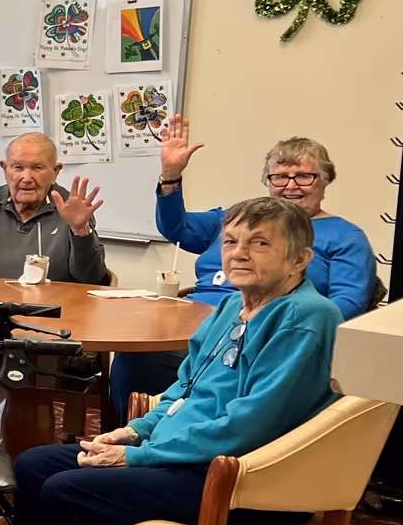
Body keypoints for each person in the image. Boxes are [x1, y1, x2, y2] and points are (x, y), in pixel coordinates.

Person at [0, 198, 340, 525]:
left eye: (260, 244)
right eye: (231, 242)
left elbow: (251, 424)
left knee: (69, 490)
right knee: (36, 464)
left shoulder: (305, 317)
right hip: (192, 461)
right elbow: (186, 388)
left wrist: (139, 454)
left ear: (300, 259)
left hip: (249, 483)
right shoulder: (230, 308)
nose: (239, 254)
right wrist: (137, 429)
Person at [110, 119, 379, 413]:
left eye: (304, 176)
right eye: (280, 177)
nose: (290, 186)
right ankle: (124, 434)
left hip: (262, 339)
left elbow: (347, 305)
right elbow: (178, 227)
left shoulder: (345, 236)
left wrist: (276, 328)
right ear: (267, 182)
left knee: (141, 360)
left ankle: (156, 438)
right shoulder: (238, 220)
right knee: (132, 351)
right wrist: (171, 176)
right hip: (194, 329)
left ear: (325, 180)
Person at [0, 133, 107, 445]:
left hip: (46, 326)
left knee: (13, 357)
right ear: (5, 168)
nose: (26, 178)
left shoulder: (72, 206)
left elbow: (91, 278)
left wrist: (81, 231)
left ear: (55, 171)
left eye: (38, 168)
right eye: (18, 167)